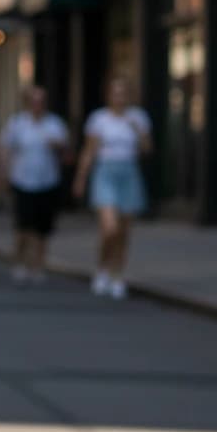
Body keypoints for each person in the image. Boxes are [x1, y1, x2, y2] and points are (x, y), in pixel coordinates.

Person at [73, 75, 152, 300]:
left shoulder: (138, 117)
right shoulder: (99, 119)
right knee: (109, 229)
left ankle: (118, 274)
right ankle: (101, 268)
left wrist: (137, 129)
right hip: (105, 172)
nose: (119, 97)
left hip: (128, 172)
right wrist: (80, 178)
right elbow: (89, 151)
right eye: (115, 93)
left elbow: (147, 149)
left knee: (124, 231)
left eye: (123, 93)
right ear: (109, 95)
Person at [0, 85, 69, 284]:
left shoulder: (55, 124)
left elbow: (67, 154)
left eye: (41, 101)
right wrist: (3, 174)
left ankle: (38, 264)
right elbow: (5, 149)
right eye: (34, 101)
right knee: (23, 226)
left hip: (47, 181)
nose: (37, 105)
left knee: (42, 228)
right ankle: (20, 263)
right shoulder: (17, 124)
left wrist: (60, 147)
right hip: (23, 181)